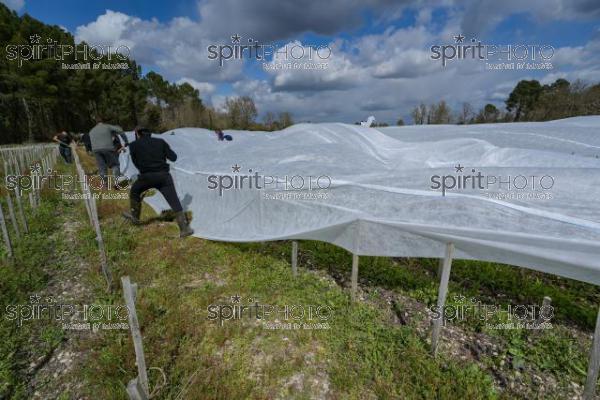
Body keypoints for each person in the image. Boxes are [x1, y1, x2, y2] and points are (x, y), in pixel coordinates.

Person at [122, 127, 194, 238]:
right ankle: (184, 229)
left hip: (145, 177)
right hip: (164, 177)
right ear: (150, 133)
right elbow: (173, 157)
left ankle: (135, 217)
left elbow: (135, 162)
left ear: (138, 134)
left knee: (135, 191)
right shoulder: (161, 142)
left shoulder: (134, 145)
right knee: (174, 201)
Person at [88, 116, 128, 188]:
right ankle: (117, 183)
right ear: (103, 122)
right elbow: (120, 130)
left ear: (96, 123)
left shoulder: (91, 130)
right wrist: (126, 141)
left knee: (102, 167)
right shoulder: (107, 126)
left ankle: (105, 185)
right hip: (108, 148)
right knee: (115, 164)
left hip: (96, 150)